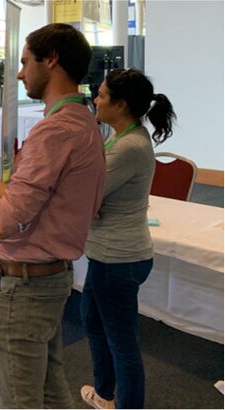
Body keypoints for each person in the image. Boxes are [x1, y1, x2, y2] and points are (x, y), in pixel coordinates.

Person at [0, 23, 105, 408]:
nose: (21, 72)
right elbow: (30, 206)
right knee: (48, 387)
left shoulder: (53, 132)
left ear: (52, 60)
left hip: (28, 288)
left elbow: (2, 221)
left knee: (19, 399)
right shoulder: (85, 123)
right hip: (51, 278)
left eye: (26, 62)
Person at [80, 68, 176, 409]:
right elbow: (89, 194)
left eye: (102, 95)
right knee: (92, 319)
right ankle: (105, 394)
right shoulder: (119, 137)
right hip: (109, 255)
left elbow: (83, 196)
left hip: (117, 259)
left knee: (123, 344)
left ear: (120, 104)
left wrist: (88, 204)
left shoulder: (130, 146)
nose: (96, 99)